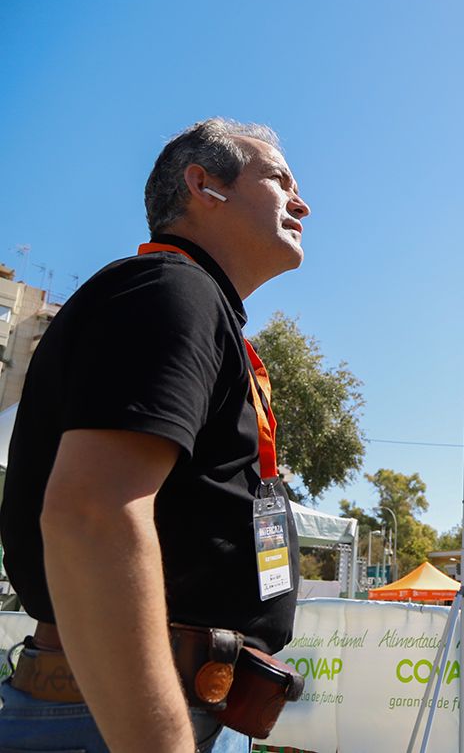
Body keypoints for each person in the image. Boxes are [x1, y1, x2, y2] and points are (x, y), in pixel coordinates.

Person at [0, 118, 311, 753]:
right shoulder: (171, 290)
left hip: (151, 711)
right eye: (279, 179)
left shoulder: (189, 302)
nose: (301, 201)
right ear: (204, 184)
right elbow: (92, 514)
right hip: (122, 721)